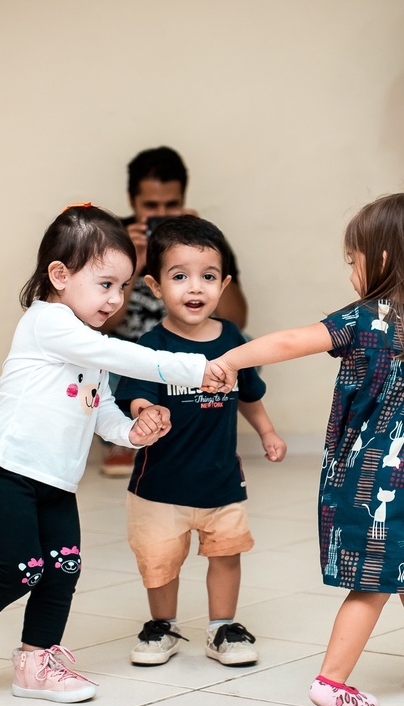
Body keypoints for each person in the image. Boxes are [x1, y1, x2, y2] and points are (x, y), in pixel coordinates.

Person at [211, 187, 404, 706]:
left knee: (382, 577)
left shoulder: (366, 319)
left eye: (353, 260)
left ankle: (351, 674)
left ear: (384, 259)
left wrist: (230, 360)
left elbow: (291, 341)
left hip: (376, 471)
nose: (351, 273)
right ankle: (392, 663)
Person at [0, 205, 229, 703]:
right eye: (105, 284)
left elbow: (100, 409)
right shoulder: (48, 323)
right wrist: (193, 368)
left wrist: (133, 432)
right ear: (59, 275)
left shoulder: (88, 344)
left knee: (63, 569)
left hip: (56, 482)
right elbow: (122, 356)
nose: (115, 299)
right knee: (22, 567)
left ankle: (36, 663)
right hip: (7, 472)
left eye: (123, 287)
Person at [115, 216, 287, 668]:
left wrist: (267, 431)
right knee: (160, 561)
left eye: (208, 277)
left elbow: (248, 395)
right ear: (155, 286)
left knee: (227, 554)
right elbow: (135, 395)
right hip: (160, 485)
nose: (195, 288)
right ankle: (163, 626)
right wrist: (144, 412)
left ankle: (222, 627)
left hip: (220, 479)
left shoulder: (232, 340)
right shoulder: (150, 345)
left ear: (223, 284)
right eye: (179, 277)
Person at [98, 146, 250, 477]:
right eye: (151, 206)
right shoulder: (114, 240)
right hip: (129, 357)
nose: (162, 214)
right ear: (132, 200)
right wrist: (129, 264)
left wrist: (200, 254)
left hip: (188, 349)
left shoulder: (201, 241)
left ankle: (204, 432)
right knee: (97, 361)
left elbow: (236, 321)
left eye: (171, 205)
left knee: (244, 346)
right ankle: (123, 436)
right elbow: (101, 327)